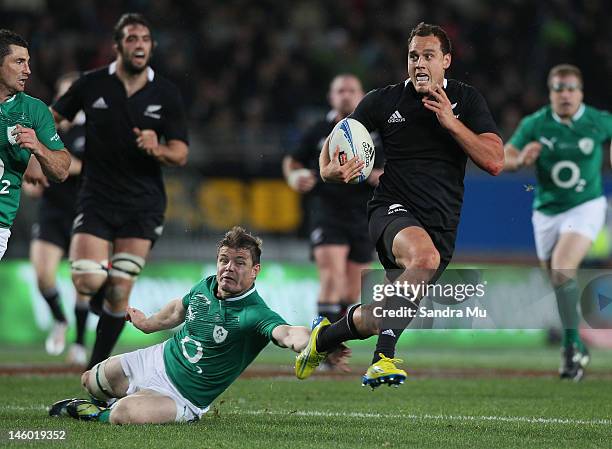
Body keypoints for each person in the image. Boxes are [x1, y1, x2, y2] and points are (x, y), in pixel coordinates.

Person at [295, 22, 503, 388]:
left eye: (428, 56)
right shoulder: (384, 100)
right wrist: (329, 170)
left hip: (441, 224)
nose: (419, 63)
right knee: (425, 260)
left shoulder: (467, 101)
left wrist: (451, 123)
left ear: (446, 61)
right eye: (413, 56)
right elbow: (338, 135)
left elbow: (494, 161)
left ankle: (322, 339)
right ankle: (382, 359)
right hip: (391, 210)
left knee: (379, 315)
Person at [49, 226, 349, 424]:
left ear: (255, 271)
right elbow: (177, 310)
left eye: (240, 262)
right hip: (156, 360)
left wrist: (318, 341)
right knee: (91, 379)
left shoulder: (255, 314)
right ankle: (104, 401)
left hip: (182, 397)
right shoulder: (205, 286)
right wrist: (147, 324)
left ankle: (96, 414)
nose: (229, 268)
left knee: (123, 414)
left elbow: (287, 334)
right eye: (224, 260)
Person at [50, 13, 189, 370]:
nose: (139, 44)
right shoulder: (91, 84)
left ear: (151, 46)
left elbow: (180, 152)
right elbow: (55, 117)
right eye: (131, 38)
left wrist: (156, 148)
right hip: (96, 196)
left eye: (144, 38)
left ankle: (93, 371)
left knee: (119, 289)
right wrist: (34, 141)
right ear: (117, 46)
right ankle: (104, 310)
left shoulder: (167, 93)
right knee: (86, 278)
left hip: (143, 204)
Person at [504, 64, 612, 381]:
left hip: (586, 207)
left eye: (570, 88)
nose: (565, 94)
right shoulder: (536, 124)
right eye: (558, 88)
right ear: (550, 93)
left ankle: (568, 349)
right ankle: (576, 342)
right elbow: (505, 155)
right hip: (546, 212)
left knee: (563, 268)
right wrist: (521, 160)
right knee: (556, 279)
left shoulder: (598, 121)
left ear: (580, 93)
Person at [283, 74, 383, 332]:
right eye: (340, 91)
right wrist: (295, 176)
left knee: (350, 293)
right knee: (331, 280)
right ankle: (321, 350)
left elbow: (397, 167)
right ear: (331, 97)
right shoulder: (318, 130)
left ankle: (332, 342)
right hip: (327, 212)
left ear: (362, 95)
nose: (346, 95)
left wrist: (382, 176)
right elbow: (292, 161)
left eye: (351, 90)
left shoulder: (378, 132)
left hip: (365, 216)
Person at [22, 72, 88, 364]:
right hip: (51, 212)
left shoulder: (92, 130)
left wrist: (51, 164)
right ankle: (60, 319)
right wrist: (30, 179)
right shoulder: (45, 130)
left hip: (83, 215)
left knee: (82, 282)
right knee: (42, 276)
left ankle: (79, 344)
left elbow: (84, 166)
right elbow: (28, 169)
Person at [0, 29, 70, 260]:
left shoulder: (34, 110)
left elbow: (61, 170)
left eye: (28, 63)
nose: (28, 70)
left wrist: (38, 149)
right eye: (19, 62)